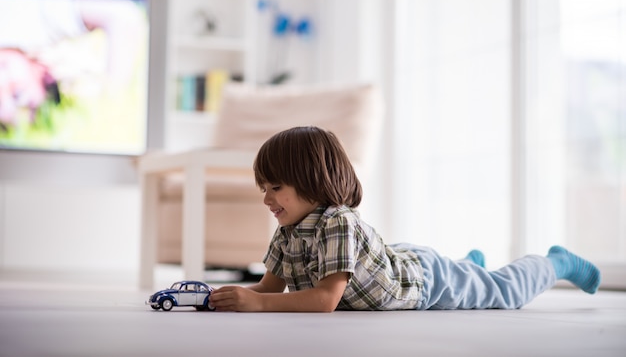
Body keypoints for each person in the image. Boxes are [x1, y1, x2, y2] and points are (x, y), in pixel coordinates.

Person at [208, 126, 601, 312]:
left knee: (503, 294)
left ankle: (556, 262)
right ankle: (468, 266)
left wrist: (256, 306)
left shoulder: (338, 222)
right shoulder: (287, 232)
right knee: (469, 278)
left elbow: (326, 299)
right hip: (397, 261)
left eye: (275, 187)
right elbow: (270, 288)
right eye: (264, 188)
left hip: (425, 281)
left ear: (311, 180)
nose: (266, 199)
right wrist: (217, 297)